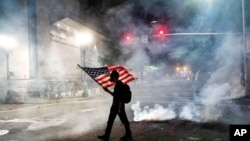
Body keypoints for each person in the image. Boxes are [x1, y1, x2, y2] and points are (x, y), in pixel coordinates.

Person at [98, 70, 132, 141]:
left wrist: (120, 109)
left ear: (114, 76)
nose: (110, 77)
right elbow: (115, 95)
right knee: (110, 121)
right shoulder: (117, 84)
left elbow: (119, 98)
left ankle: (128, 135)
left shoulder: (119, 85)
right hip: (115, 106)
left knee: (124, 121)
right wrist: (107, 91)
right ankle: (106, 136)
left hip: (118, 106)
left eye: (111, 76)